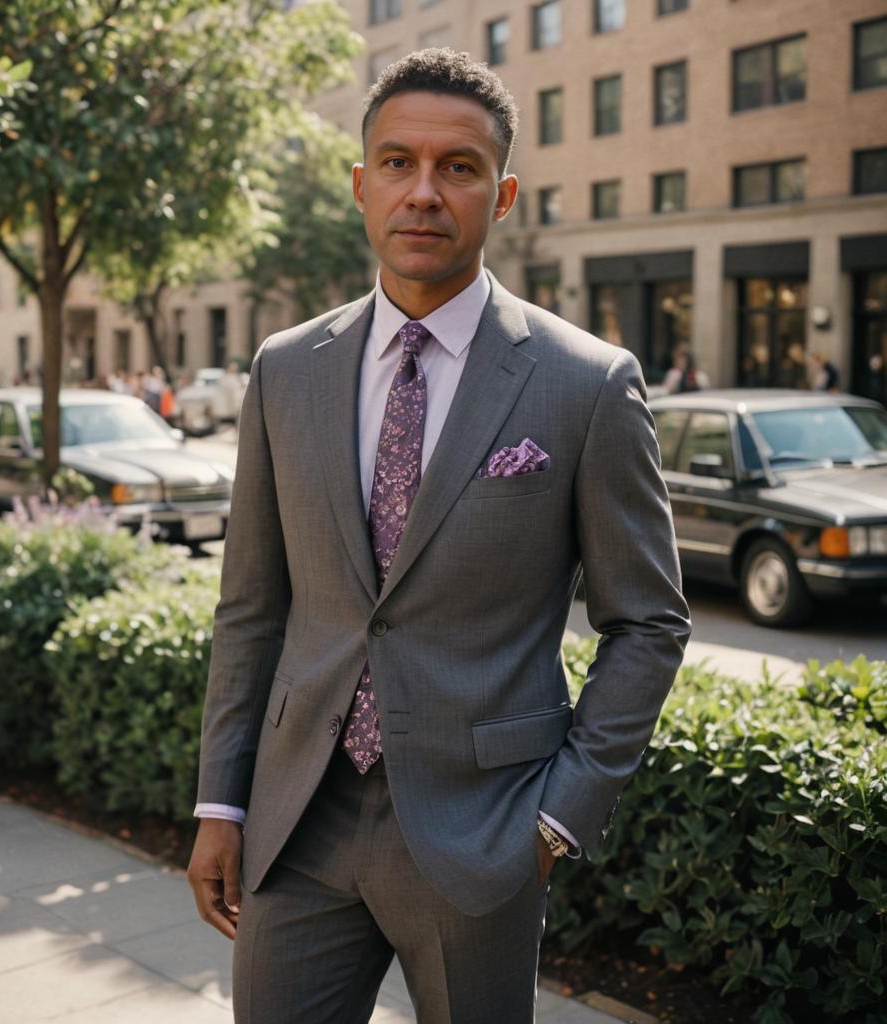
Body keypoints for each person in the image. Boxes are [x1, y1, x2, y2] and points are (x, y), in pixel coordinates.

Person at [186, 49, 690, 1024]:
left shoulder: (586, 383)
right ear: (359, 184)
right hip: (298, 821)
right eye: (396, 163)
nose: (423, 192)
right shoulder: (285, 369)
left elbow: (648, 624)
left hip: (483, 832)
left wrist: (554, 818)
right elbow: (251, 605)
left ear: (500, 196)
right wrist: (223, 801)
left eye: (456, 167)